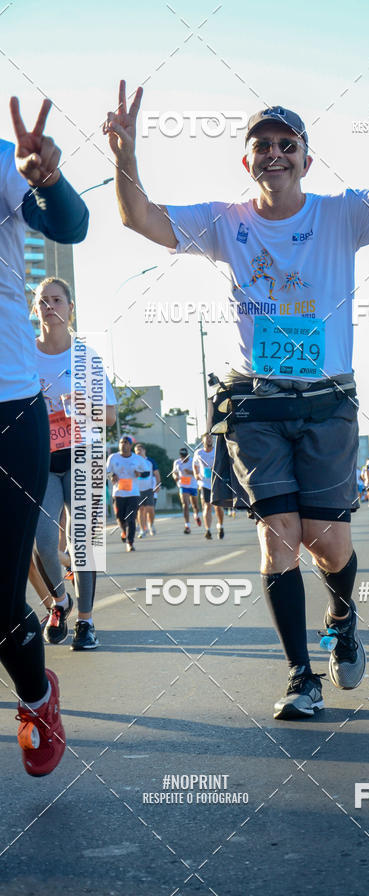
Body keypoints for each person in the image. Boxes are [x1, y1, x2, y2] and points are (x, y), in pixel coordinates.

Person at [105, 63, 369, 718]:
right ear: (247, 159)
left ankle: (344, 617)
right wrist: (126, 156)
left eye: (287, 143)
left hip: (328, 402)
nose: (275, 153)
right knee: (278, 537)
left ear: (305, 157)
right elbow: (142, 219)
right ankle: (301, 676)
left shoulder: (342, 215)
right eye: (263, 144)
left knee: (327, 544)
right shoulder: (225, 222)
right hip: (256, 403)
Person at [1, 96, 88, 774]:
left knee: (2, 600)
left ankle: (36, 695)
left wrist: (48, 181)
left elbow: (69, 224)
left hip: (9, 409)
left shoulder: (5, 166)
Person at [33, 277, 116, 650]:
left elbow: (110, 415)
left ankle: (86, 621)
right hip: (39, 457)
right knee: (44, 541)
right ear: (35, 310)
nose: (50, 306)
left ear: (70, 308)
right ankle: (58, 603)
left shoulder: (86, 357)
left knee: (84, 543)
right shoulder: (23, 356)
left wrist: (83, 405)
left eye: (56, 300)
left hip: (83, 454)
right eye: (42, 301)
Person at [106, 436, 145, 551]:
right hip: (118, 493)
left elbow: (145, 471)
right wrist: (112, 476)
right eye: (121, 442)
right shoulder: (113, 457)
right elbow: (106, 472)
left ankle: (130, 542)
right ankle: (123, 531)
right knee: (120, 518)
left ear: (130, 445)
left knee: (131, 519)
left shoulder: (137, 459)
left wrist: (139, 474)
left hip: (133, 493)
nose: (123, 445)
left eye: (126, 443)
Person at [193, 433, 225, 539]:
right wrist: (196, 474)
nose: (209, 440)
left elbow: (224, 463)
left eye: (211, 438)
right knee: (206, 506)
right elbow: (195, 465)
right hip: (204, 483)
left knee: (218, 507)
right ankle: (208, 530)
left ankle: (220, 526)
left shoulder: (217, 451)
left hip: (217, 482)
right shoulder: (198, 453)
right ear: (203, 441)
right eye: (207, 438)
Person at [134, 443, 160, 538]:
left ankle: (151, 525)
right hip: (137, 490)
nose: (138, 452)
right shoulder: (134, 462)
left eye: (140, 450)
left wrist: (158, 484)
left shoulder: (150, 461)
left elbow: (156, 474)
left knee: (150, 509)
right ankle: (142, 529)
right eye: (136, 451)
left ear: (144, 451)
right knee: (140, 510)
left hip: (149, 489)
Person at [173, 446, 201, 533]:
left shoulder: (193, 461)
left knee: (195, 506)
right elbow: (174, 472)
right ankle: (187, 526)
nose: (184, 458)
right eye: (182, 456)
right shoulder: (177, 462)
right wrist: (176, 477)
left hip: (193, 485)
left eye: (185, 456)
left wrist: (190, 472)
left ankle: (196, 516)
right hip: (183, 485)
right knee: (185, 504)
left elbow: (199, 472)